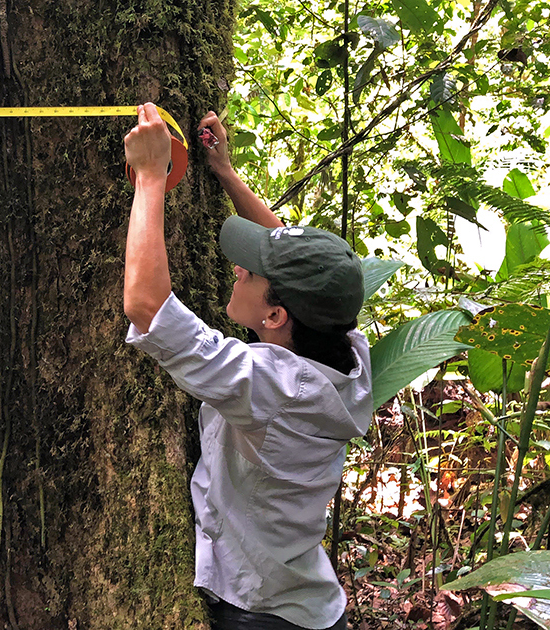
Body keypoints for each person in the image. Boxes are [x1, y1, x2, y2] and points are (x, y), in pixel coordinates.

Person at [122, 103, 373, 630]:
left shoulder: (268, 386)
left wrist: (150, 177)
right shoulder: (345, 353)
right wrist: (226, 175)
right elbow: (306, 271)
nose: (237, 268)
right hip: (312, 603)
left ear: (276, 315)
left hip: (260, 613)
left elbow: (149, 308)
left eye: (249, 272)